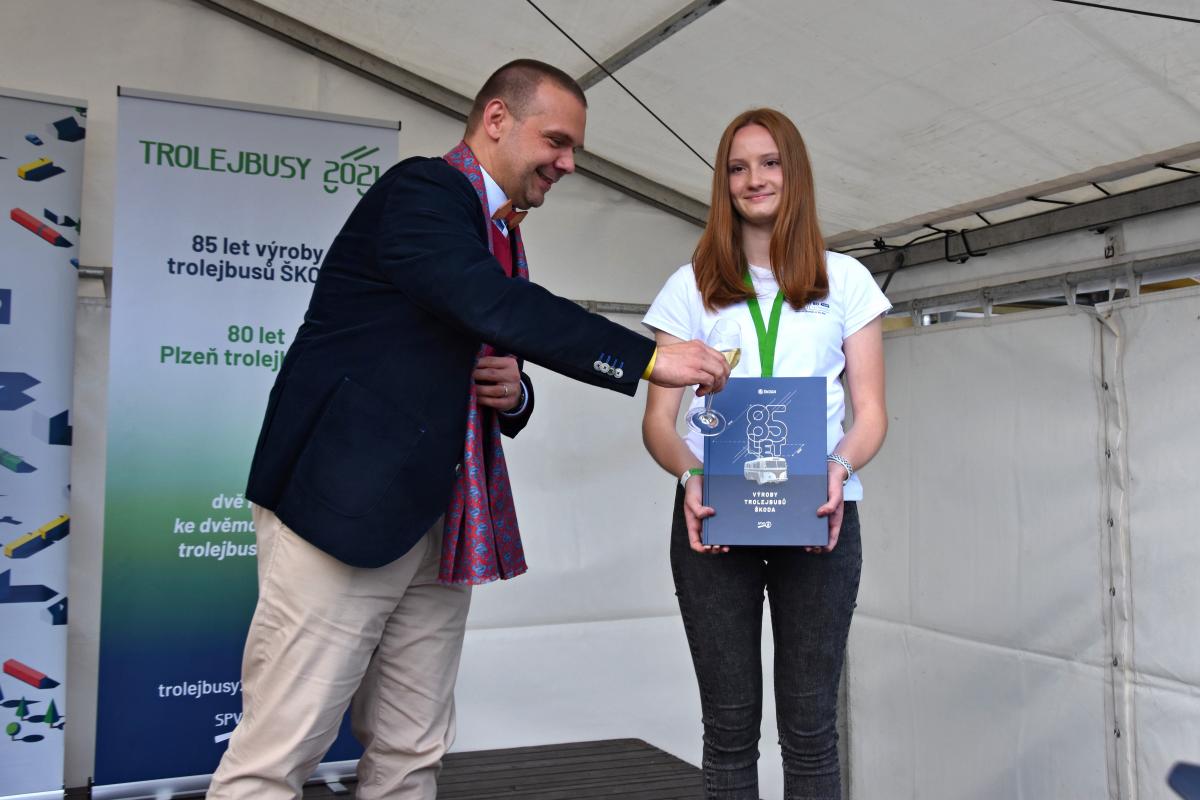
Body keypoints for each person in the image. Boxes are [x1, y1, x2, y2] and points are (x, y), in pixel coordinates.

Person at [206, 59, 730, 800]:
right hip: (345, 514)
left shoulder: (498, 232)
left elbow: (476, 344)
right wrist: (647, 358)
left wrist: (514, 394)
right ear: (495, 120)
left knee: (414, 748)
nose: (568, 163)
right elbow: (491, 304)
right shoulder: (422, 193)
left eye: (574, 148)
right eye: (556, 140)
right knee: (276, 754)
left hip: (437, 522)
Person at [641, 108, 890, 800]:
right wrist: (690, 474)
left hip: (822, 516)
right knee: (727, 732)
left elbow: (871, 414)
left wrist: (837, 471)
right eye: (738, 167)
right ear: (724, 184)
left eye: (770, 162)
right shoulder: (689, 286)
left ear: (796, 173)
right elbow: (660, 422)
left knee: (811, 733)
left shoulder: (846, 282)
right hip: (713, 517)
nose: (755, 179)